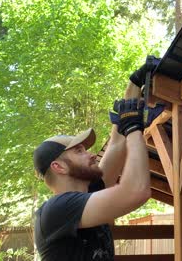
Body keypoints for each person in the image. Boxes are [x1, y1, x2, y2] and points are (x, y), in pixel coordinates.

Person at [32, 65, 153, 261]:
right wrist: (133, 127)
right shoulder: (57, 209)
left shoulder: (89, 193)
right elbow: (137, 190)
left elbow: (117, 143)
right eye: (78, 151)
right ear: (58, 166)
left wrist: (135, 82)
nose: (91, 155)